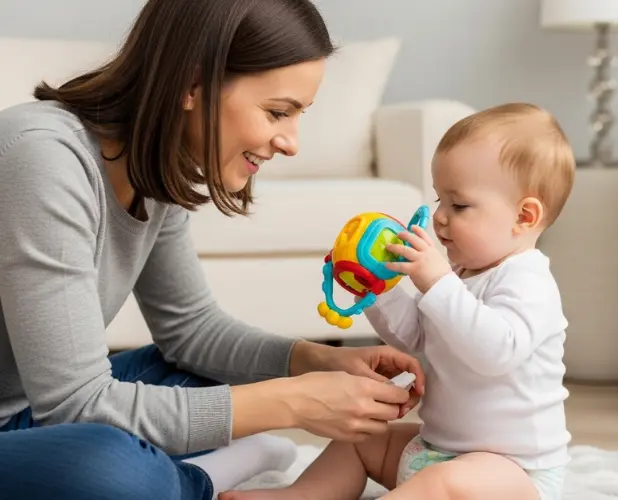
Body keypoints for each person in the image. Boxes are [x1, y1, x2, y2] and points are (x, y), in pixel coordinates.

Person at [0, 1, 426, 499]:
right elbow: (76, 405)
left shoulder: (153, 164)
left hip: (33, 412)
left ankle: (190, 471)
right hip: (45, 418)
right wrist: (293, 402)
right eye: (277, 112)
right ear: (191, 84)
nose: (291, 142)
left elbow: (191, 331)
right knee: (113, 471)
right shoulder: (43, 157)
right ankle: (206, 480)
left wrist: (314, 363)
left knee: (206, 376)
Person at [220, 102, 576, 500]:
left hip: (512, 472)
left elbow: (495, 352)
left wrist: (436, 281)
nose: (440, 217)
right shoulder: (460, 276)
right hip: (435, 449)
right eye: (440, 200)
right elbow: (414, 336)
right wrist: (376, 288)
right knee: (356, 441)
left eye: (458, 205)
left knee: (441, 484)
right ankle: (300, 495)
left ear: (524, 217)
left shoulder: (527, 279)